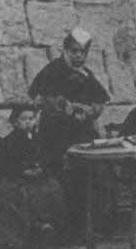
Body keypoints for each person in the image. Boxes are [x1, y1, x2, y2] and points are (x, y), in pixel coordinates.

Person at [29, 28, 111, 174]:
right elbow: (38, 97)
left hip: (83, 134)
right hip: (56, 134)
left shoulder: (87, 75)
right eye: (74, 51)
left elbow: (100, 101)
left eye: (82, 52)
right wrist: (67, 106)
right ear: (65, 50)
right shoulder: (52, 71)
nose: (78, 55)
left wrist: (89, 111)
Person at [0, 104, 65, 249]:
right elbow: (3, 164)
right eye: (23, 119)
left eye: (31, 118)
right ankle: (21, 239)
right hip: (16, 178)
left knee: (54, 187)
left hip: (38, 177)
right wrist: (22, 171)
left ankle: (47, 232)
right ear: (15, 122)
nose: (28, 122)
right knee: (19, 193)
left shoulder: (40, 139)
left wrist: (42, 169)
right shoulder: (9, 141)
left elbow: (49, 159)